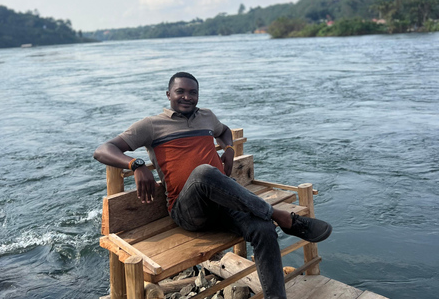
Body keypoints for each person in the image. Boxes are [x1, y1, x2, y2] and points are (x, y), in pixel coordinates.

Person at [93, 72, 332, 299]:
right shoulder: (151, 125)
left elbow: (225, 131)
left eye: (193, 92)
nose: (187, 96)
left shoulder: (206, 116)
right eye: (180, 91)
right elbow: (103, 150)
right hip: (187, 211)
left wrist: (228, 149)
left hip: (224, 205)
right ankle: (281, 216)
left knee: (264, 229)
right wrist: (136, 164)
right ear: (168, 94)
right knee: (203, 173)